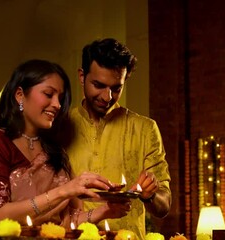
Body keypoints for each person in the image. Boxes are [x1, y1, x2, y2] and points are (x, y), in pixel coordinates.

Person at [0, 59, 130, 228]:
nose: (57, 104)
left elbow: (65, 222)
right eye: (49, 94)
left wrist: (106, 211)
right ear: (20, 95)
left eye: (60, 98)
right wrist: (63, 191)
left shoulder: (54, 149)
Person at [66, 38, 172, 239]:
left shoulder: (145, 129)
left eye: (116, 88)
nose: (107, 97)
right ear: (81, 76)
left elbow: (164, 206)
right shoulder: (60, 128)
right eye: (98, 85)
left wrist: (150, 196)